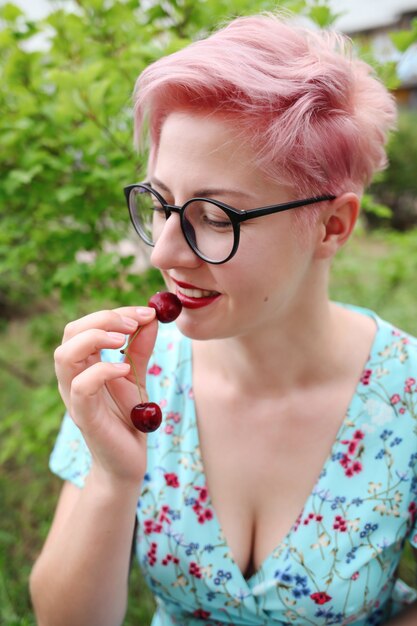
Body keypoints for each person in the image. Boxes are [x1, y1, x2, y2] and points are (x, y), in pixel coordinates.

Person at [29, 11, 417, 626]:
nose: (162, 253)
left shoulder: (408, 399)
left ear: (331, 225)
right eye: (160, 203)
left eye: (215, 217)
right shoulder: (131, 378)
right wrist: (112, 477)